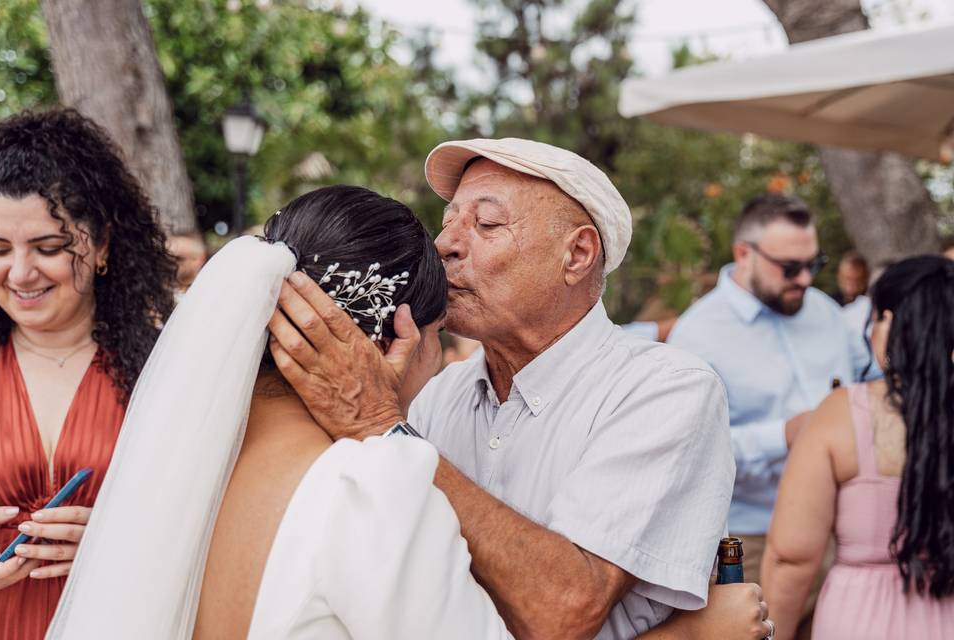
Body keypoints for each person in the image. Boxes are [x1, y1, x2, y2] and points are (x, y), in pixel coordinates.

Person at [269, 138, 774, 639]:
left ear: (577, 254)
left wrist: (382, 428)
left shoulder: (665, 391)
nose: (445, 244)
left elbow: (565, 611)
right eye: (447, 222)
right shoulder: (436, 394)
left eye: (486, 224)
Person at [49, 186, 510, 639]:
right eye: (438, 332)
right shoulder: (371, 485)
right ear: (391, 340)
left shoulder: (185, 454)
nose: (435, 354)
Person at [0, 109, 176, 639]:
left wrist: (125, 544)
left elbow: (222, 522)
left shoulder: (162, 371)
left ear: (100, 246)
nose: (21, 273)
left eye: (49, 248)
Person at [667, 194, 873, 636]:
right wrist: (782, 435)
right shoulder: (698, 333)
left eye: (812, 264)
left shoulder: (827, 312)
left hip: (838, 531)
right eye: (790, 267)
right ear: (744, 253)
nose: (804, 278)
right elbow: (684, 453)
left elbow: (864, 382)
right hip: (749, 540)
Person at [761, 256, 954, 639]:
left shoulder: (841, 414)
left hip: (862, 621)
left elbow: (791, 558)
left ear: (894, 322)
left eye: (879, 317)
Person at [165, 231, 207, 299]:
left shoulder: (210, 293)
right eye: (166, 257)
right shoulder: (156, 298)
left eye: (178, 258)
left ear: (200, 260)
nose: (170, 263)